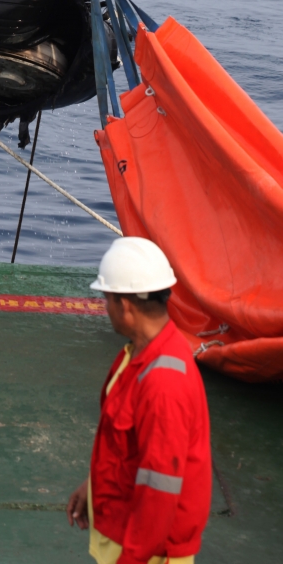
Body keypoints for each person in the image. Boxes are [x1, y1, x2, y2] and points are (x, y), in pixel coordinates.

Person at [67, 237, 211, 564]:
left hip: (146, 551)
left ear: (125, 307)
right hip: (123, 529)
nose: (105, 308)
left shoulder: (164, 383)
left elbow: (160, 490)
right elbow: (128, 445)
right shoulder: (138, 353)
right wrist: (94, 485)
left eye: (107, 299)